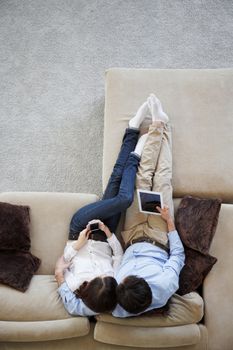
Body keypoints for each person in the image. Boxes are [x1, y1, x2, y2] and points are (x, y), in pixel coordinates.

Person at [55, 99, 150, 316]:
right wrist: (109, 235)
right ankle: (132, 130)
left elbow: (60, 266)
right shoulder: (113, 283)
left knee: (124, 198)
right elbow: (118, 256)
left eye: (98, 278)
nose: (102, 273)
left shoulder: (74, 285)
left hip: (81, 229)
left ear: (90, 288)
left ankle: (135, 149)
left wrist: (77, 245)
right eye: (105, 277)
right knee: (116, 179)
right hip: (105, 232)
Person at [113, 94, 185, 317]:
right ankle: (161, 126)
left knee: (142, 178)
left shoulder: (118, 304)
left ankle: (159, 124)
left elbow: (109, 310)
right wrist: (169, 222)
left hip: (133, 232)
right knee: (162, 178)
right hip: (159, 234)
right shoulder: (164, 285)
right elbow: (178, 256)